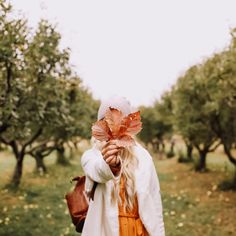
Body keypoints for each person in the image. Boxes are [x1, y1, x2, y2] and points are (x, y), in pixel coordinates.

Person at [81, 95, 165, 236]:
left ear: (128, 125)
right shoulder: (91, 156)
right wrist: (110, 164)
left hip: (140, 231)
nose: (114, 127)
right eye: (108, 121)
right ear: (101, 125)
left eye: (120, 121)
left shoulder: (144, 157)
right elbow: (98, 171)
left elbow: (155, 200)